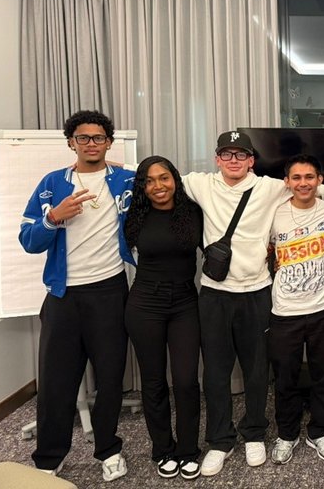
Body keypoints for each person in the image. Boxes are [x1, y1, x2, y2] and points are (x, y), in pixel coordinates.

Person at [181, 131, 324, 477]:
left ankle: (255, 433)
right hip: (215, 292)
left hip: (258, 291)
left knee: (258, 371)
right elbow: (155, 177)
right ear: (217, 159)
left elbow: (318, 188)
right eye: (227, 154)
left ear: (252, 161)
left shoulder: (269, 188)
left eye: (241, 155)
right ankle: (220, 441)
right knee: (215, 373)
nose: (234, 161)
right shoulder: (200, 184)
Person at [19, 110, 134, 481]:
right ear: (71, 142)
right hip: (62, 295)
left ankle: (108, 450)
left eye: (98, 137)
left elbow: (164, 182)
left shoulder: (126, 180)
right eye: (83, 137)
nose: (91, 143)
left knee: (110, 378)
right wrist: (53, 218)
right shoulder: (52, 184)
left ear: (108, 143)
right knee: (56, 381)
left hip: (110, 291)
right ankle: (49, 458)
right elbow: (28, 240)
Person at [123, 156, 204, 480]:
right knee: (154, 381)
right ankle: (163, 449)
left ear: (175, 179)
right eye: (149, 180)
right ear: (142, 186)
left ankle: (188, 450)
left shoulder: (193, 211)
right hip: (145, 304)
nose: (158, 186)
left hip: (185, 303)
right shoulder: (134, 215)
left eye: (164, 178)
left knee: (185, 381)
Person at [267, 155, 324, 465]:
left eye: (309, 177)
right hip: (285, 311)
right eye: (296, 177)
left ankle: (319, 432)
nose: (303, 183)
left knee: (323, 378)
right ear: (286, 182)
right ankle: (287, 435)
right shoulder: (274, 213)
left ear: (319, 180)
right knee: (286, 378)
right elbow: (263, 249)